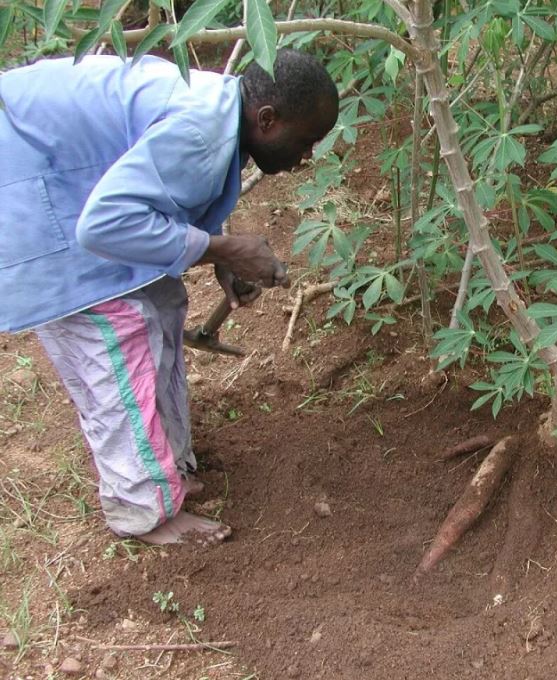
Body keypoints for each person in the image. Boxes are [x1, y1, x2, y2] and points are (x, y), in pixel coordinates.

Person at [0, 48, 339, 544]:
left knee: (159, 301)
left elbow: (166, 190)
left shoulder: (223, 108)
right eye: (307, 140)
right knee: (117, 338)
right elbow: (102, 225)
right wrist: (222, 247)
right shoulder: (201, 132)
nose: (307, 156)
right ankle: (143, 510)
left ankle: (166, 469)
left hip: (66, 179)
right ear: (267, 119)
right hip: (29, 192)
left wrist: (219, 252)